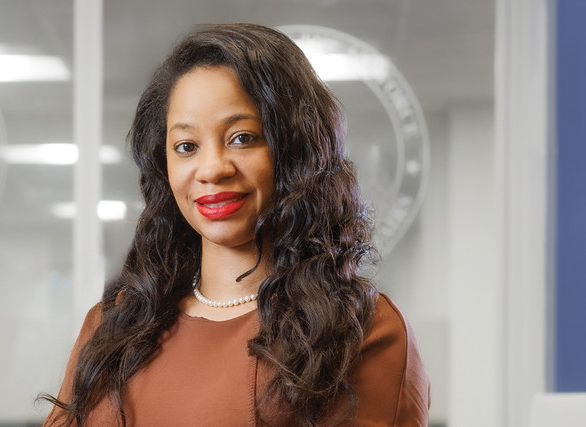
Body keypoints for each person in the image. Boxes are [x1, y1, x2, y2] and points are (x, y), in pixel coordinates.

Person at [41, 23, 429, 426]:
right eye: (187, 147)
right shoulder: (114, 325)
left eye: (242, 138)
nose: (211, 169)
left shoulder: (361, 331)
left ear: (294, 150)